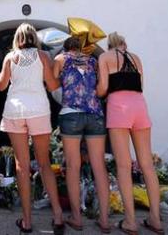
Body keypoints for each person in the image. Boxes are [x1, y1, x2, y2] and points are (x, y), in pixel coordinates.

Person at [0, 23, 65, 235]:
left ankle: (26, 221)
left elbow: (1, 85)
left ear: (17, 39)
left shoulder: (10, 57)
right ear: (34, 37)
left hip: (15, 111)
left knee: (22, 167)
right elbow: (53, 86)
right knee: (44, 164)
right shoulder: (43, 56)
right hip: (39, 110)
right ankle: (58, 215)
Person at [96, 32, 164, 235]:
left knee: (124, 165)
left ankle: (131, 221)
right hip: (140, 107)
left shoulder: (105, 57)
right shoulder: (136, 58)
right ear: (125, 44)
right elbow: (140, 86)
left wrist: (95, 92)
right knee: (147, 166)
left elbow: (103, 89)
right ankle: (155, 219)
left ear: (109, 45)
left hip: (119, 108)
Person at [53, 37, 111, 233]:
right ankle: (104, 220)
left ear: (66, 47)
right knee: (99, 167)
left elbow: (53, 84)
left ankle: (77, 218)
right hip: (95, 114)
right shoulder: (93, 61)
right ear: (80, 48)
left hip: (71, 114)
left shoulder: (61, 59)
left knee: (73, 166)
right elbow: (101, 88)